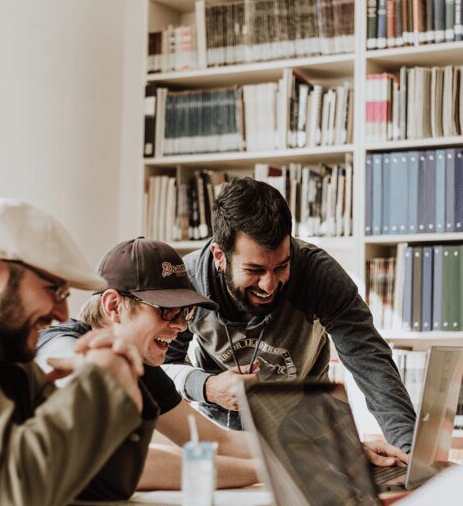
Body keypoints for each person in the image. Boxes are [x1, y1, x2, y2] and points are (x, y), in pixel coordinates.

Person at [0, 198, 157, 506]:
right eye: (54, 291)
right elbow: (11, 493)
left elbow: (102, 484)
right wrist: (102, 384)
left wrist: (121, 381)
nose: (63, 314)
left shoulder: (2, 349)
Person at [163, 177, 416, 456]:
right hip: (222, 439)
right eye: (255, 270)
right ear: (220, 256)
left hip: (306, 437)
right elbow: (161, 367)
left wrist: (408, 453)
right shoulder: (187, 283)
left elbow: (371, 362)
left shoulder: (318, 274)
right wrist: (207, 386)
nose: (269, 285)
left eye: (281, 266)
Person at [36, 237, 259, 490]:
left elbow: (215, 440)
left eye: (184, 312)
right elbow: (120, 462)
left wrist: (296, 451)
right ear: (113, 306)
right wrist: (264, 471)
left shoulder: (140, 366)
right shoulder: (59, 346)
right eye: (167, 310)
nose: (181, 326)